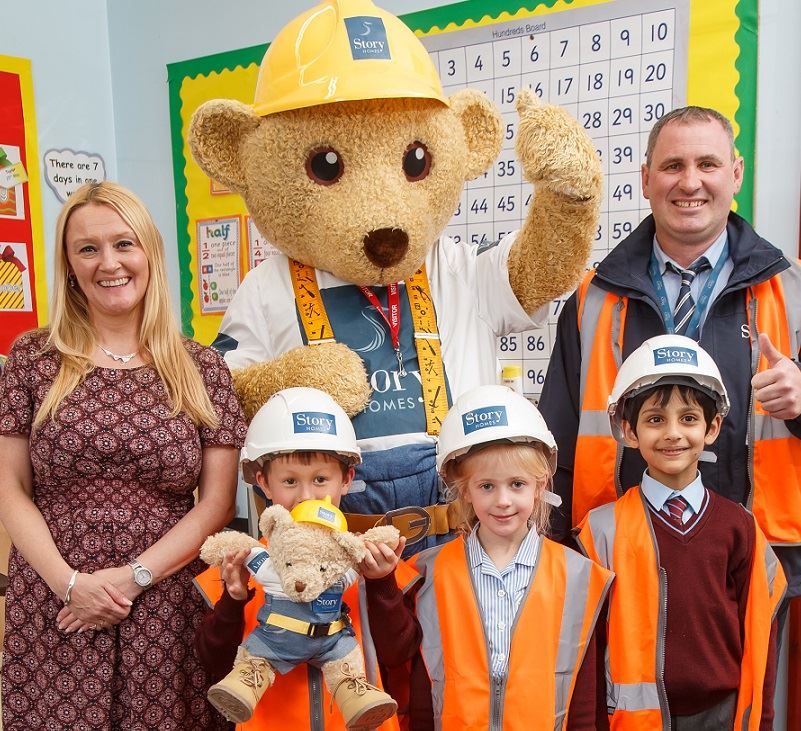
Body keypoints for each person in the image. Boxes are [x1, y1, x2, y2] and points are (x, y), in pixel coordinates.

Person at [0, 181, 247, 730]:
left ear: (150, 253)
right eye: (88, 248)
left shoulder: (201, 368)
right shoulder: (33, 359)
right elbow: (9, 489)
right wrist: (70, 583)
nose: (108, 263)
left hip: (165, 596)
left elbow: (216, 503)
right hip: (54, 598)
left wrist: (132, 578)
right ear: (68, 264)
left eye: (123, 244)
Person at [539, 105, 801, 604]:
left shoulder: (793, 288)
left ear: (736, 174)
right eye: (673, 166)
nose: (690, 182)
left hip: (754, 560)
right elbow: (556, 446)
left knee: (743, 687)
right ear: (645, 178)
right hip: (616, 558)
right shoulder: (591, 299)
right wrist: (553, 552)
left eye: (708, 164)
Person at [361, 385, 613, 730]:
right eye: (487, 486)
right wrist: (382, 585)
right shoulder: (425, 572)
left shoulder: (578, 575)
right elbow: (396, 656)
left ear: (540, 485)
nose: (503, 500)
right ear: (464, 489)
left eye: (517, 484)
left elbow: (583, 694)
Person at [576, 335, 785, 729]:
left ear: (712, 427)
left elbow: (760, 636)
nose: (673, 433)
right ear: (629, 431)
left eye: (688, 418)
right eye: (655, 419)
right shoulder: (600, 531)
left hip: (720, 716)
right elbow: (588, 649)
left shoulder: (739, 527)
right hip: (632, 720)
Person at [194, 386, 403, 730]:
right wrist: (233, 601)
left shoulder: (370, 561)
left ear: (346, 480)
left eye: (321, 479)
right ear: (263, 483)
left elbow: (399, 655)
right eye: (290, 480)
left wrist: (382, 587)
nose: (307, 496)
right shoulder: (242, 561)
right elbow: (213, 663)